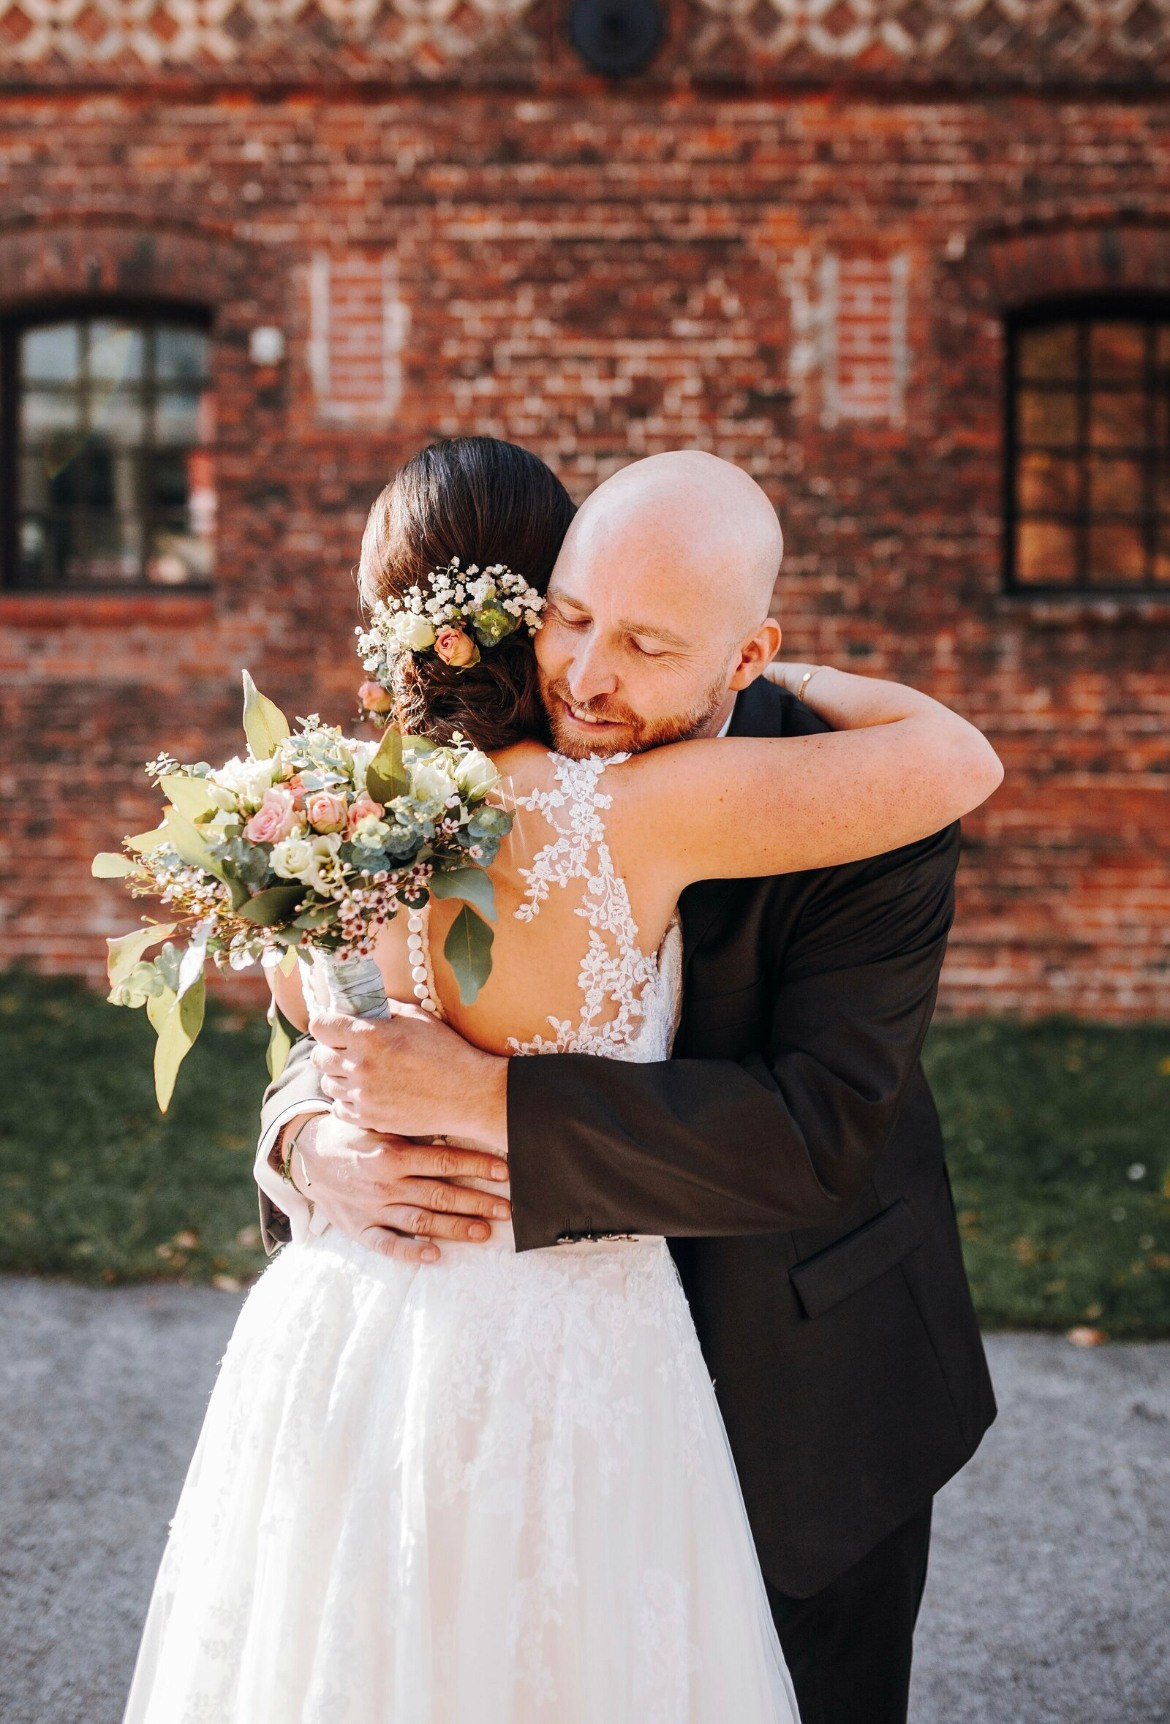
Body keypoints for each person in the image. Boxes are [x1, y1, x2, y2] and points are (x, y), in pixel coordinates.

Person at [127, 437, 1002, 1724]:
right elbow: (343, 1029)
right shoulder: (430, 782)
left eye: (647, 645)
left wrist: (476, 1101)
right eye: (571, 617)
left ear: (747, 655)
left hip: (798, 1370)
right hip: (465, 1373)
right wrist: (313, 1138)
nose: (588, 676)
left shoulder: (854, 798)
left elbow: (819, 1132)